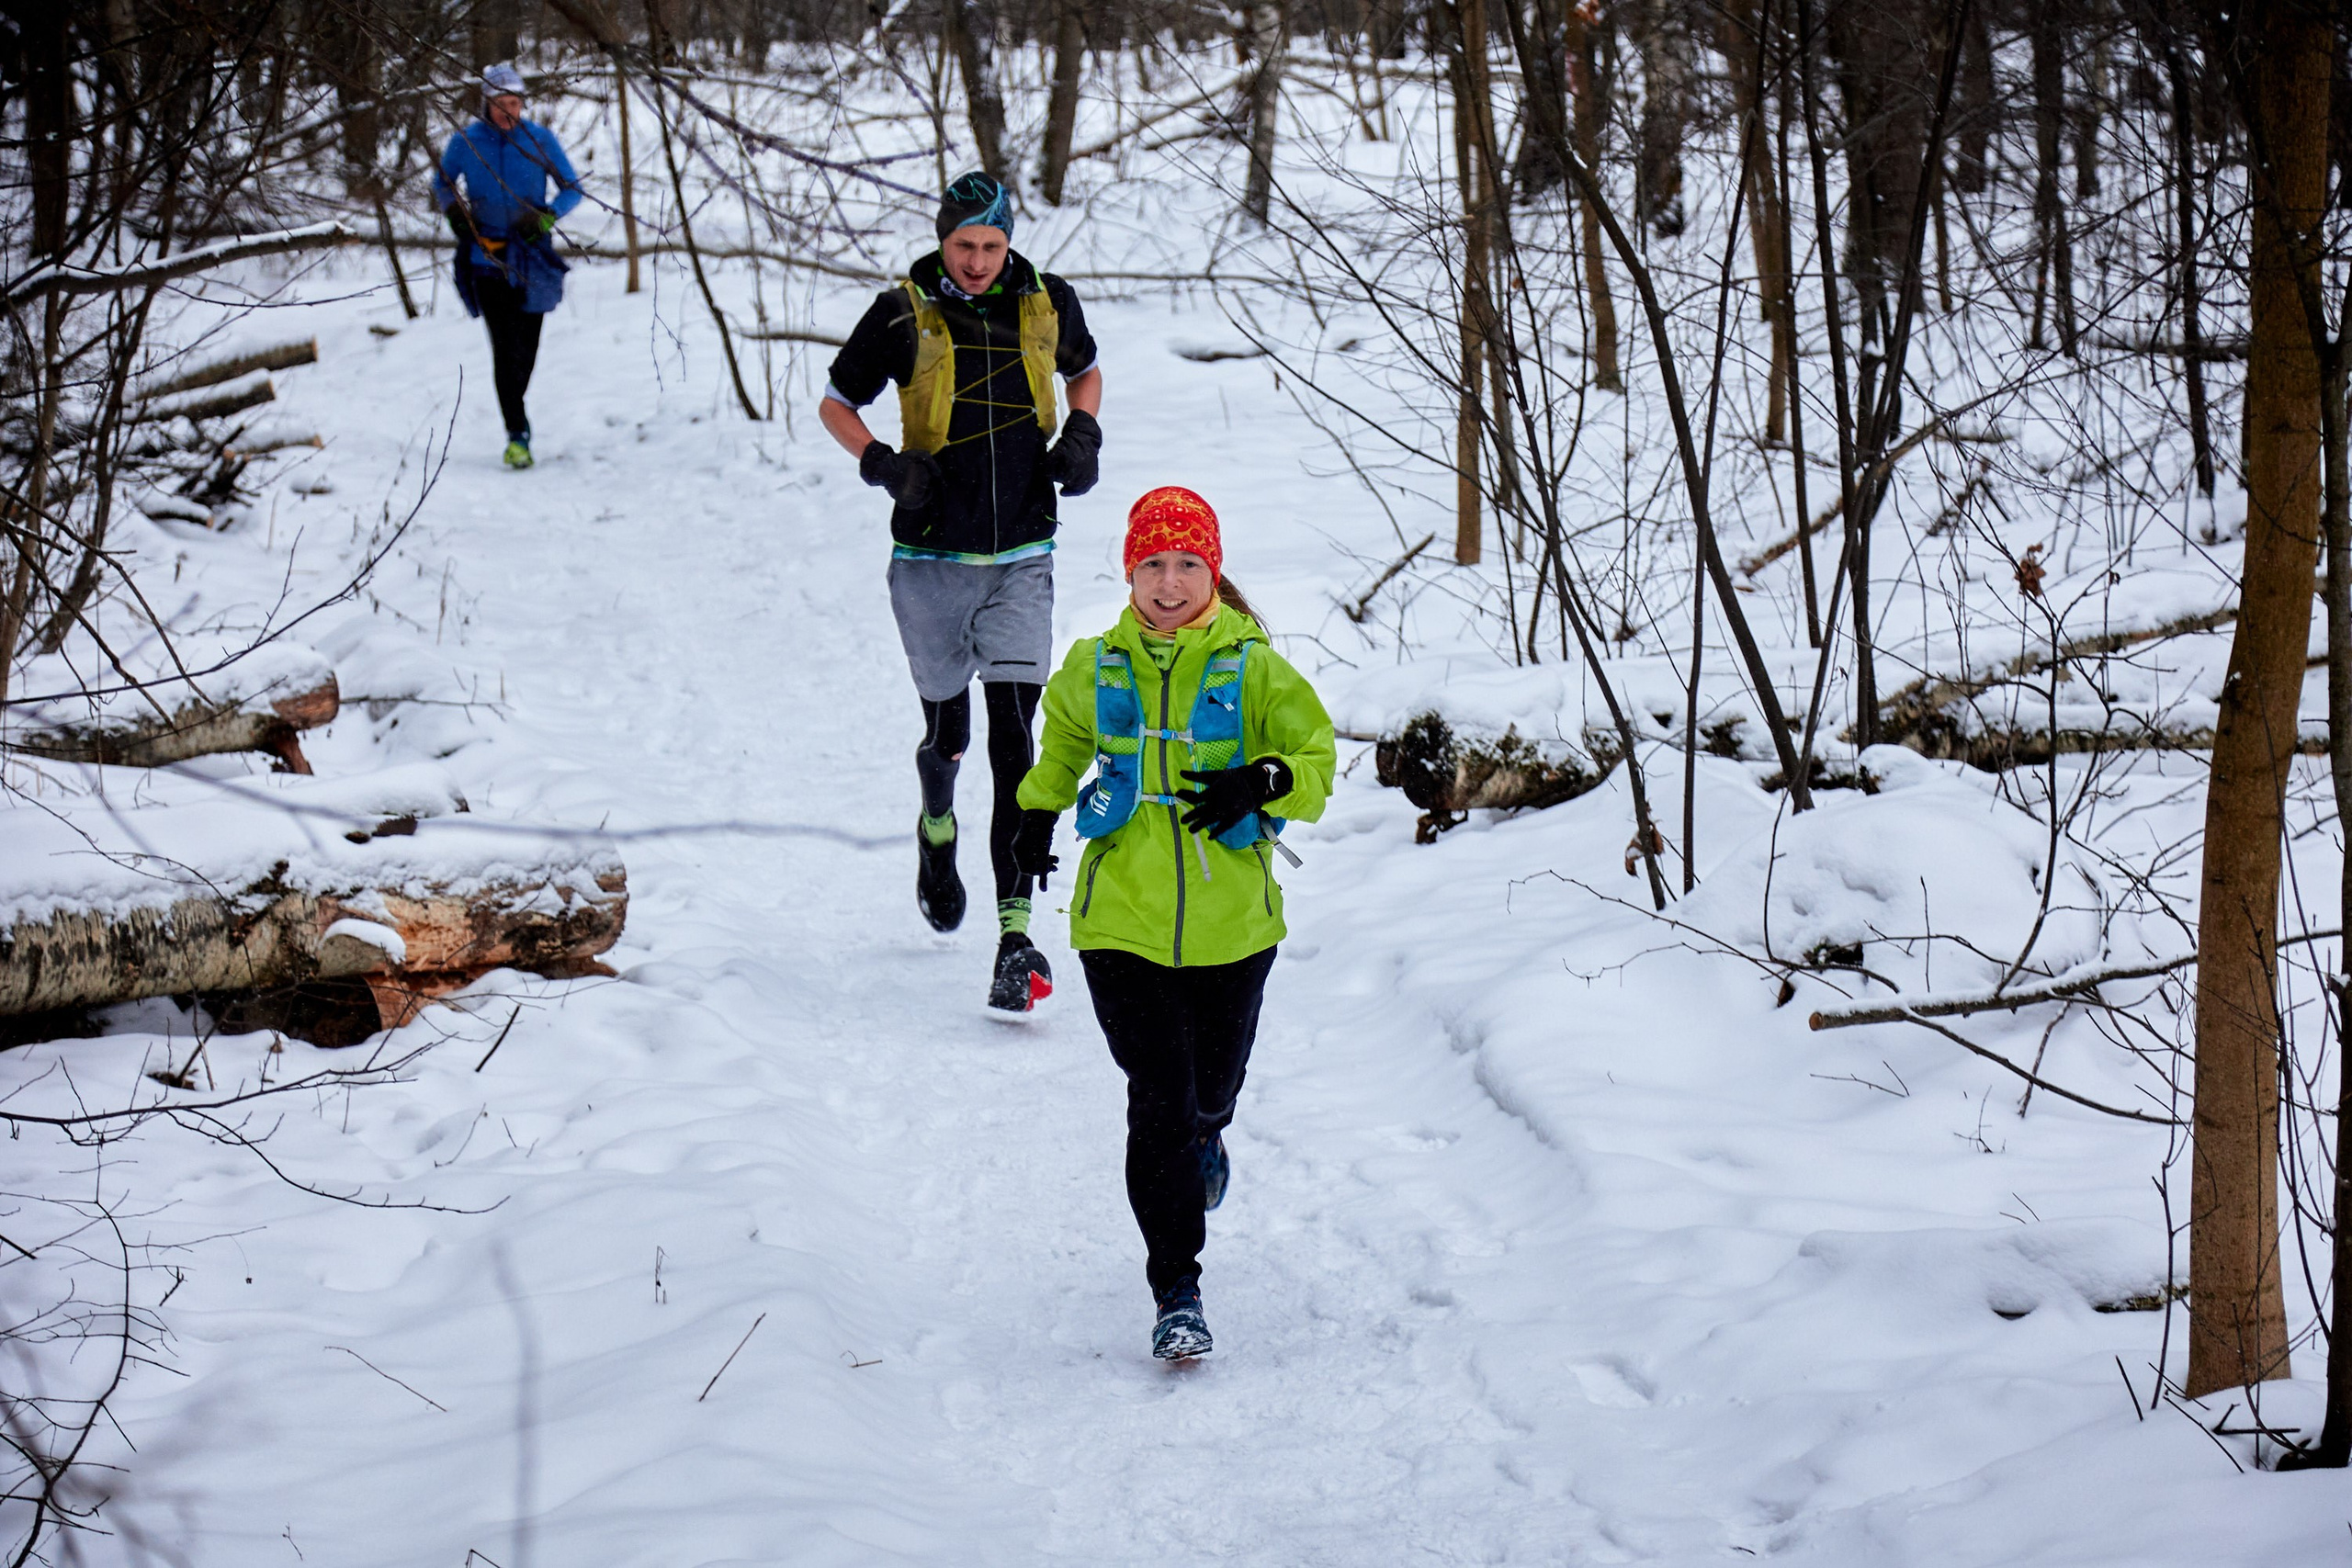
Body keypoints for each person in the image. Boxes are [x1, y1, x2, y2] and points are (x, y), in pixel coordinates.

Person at [1010, 487, 1335, 1360]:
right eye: (1152, 562)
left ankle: (1210, 1129)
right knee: (1157, 1098)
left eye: (1188, 563)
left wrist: (1262, 778)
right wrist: (1037, 814)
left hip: (1235, 927)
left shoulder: (1254, 669)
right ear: (1129, 571)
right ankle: (1176, 1289)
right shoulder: (1095, 664)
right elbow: (1062, 748)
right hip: (1120, 922)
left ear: (1213, 573)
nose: (1169, 581)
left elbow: (1316, 758)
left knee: (1206, 1094)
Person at [819, 171, 1105, 1014]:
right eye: (963, 245)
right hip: (932, 560)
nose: (977, 261)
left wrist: (1084, 432)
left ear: (1009, 241)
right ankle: (936, 825)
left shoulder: (1047, 301)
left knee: (1015, 742)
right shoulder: (902, 313)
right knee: (950, 737)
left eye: (991, 245)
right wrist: (881, 463)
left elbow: (1086, 372)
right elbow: (837, 402)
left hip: (1023, 553)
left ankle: (1015, 937)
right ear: (942, 239)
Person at [434, 63, 582, 469]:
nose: (507, 111)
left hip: (532, 258)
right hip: (486, 259)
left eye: (514, 103)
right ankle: (517, 434)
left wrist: (546, 217)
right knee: (503, 347)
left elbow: (573, 188)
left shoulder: (539, 139)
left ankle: (516, 414)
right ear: (487, 103)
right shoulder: (466, 140)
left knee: (526, 350)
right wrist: (456, 213)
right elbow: (442, 182)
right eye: (500, 104)